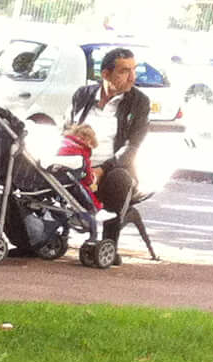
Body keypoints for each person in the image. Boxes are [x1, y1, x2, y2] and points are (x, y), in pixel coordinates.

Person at [64, 45, 149, 245]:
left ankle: (108, 246)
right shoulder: (83, 95)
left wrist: (101, 170)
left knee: (119, 179)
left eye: (134, 70)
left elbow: (132, 146)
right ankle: (34, 239)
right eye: (124, 71)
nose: (132, 77)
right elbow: (67, 129)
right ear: (105, 74)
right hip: (77, 166)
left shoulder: (139, 102)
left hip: (113, 170)